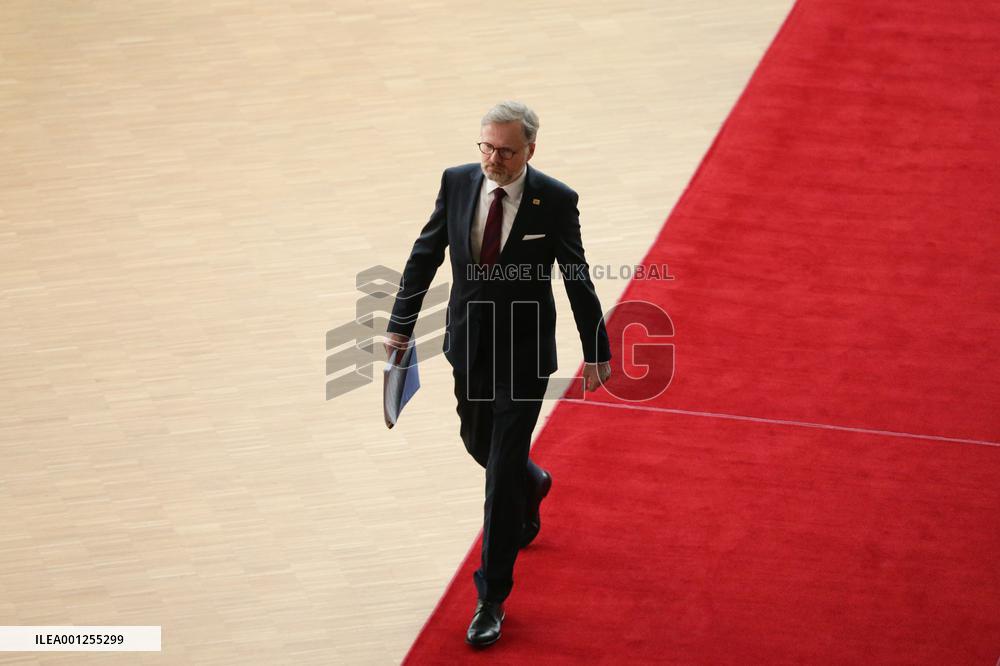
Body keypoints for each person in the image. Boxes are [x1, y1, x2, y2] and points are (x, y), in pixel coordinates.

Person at [385, 100, 612, 647]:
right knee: (477, 441)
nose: (493, 159)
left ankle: (491, 598)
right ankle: (533, 483)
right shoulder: (458, 182)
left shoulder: (555, 200)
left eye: (506, 151)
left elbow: (576, 277)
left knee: (497, 477)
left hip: (525, 355)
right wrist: (399, 324)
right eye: (486, 146)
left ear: (530, 149)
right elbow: (425, 254)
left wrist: (597, 349)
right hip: (469, 345)